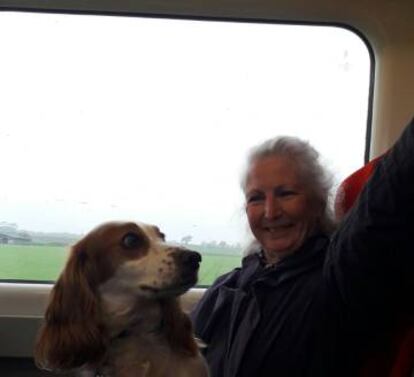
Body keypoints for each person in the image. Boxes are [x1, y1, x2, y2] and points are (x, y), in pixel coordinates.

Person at [191, 117, 414, 377]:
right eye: (256, 198)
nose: (271, 212)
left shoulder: (342, 279)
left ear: (318, 201)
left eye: (286, 194)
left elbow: (385, 199)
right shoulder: (224, 287)